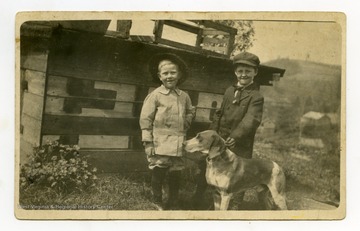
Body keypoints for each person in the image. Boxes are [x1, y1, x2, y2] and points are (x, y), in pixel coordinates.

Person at [193, 51, 264, 209]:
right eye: (240, 71)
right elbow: (219, 113)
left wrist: (235, 136)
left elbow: (251, 120)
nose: (243, 74)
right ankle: (204, 201)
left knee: (237, 175)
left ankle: (234, 207)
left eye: (248, 71)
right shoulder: (229, 91)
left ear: (255, 72)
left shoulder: (256, 96)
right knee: (209, 168)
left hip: (239, 144)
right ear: (235, 72)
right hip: (218, 141)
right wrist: (211, 134)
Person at [139, 53, 195, 210]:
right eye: (165, 73)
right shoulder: (155, 96)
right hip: (160, 143)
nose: (169, 76)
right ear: (159, 76)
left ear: (179, 74)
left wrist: (187, 121)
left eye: (173, 72)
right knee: (159, 170)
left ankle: (174, 200)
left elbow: (190, 111)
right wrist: (148, 142)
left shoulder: (184, 96)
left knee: (176, 172)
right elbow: (145, 120)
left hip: (178, 143)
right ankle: (156, 200)